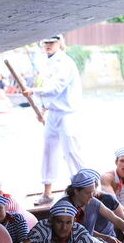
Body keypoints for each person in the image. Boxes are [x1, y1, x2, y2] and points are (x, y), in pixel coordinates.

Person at [23, 35, 86, 206]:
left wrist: (33, 91)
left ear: (59, 43)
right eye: (46, 42)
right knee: (48, 151)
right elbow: (48, 88)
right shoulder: (46, 62)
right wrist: (43, 108)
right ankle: (47, 192)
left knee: (71, 152)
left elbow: (57, 87)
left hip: (68, 114)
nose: (48, 45)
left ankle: (85, 189)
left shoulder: (66, 63)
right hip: (54, 113)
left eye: (51, 42)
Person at [55, 169, 124, 243]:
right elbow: (71, 232)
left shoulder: (93, 202)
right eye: (87, 193)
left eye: (93, 192)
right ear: (76, 191)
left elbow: (116, 220)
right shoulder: (65, 207)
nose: (92, 195)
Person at [27, 201, 100, 243]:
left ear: (74, 221)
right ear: (51, 220)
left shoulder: (79, 231)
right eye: (59, 222)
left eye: (68, 223)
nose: (64, 228)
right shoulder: (43, 227)